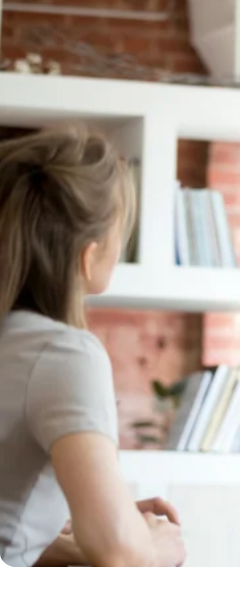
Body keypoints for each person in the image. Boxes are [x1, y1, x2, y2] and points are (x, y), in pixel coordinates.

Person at [0, 126, 186, 567]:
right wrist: (153, 546)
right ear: (88, 255)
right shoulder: (63, 354)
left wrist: (105, 520)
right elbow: (119, 554)